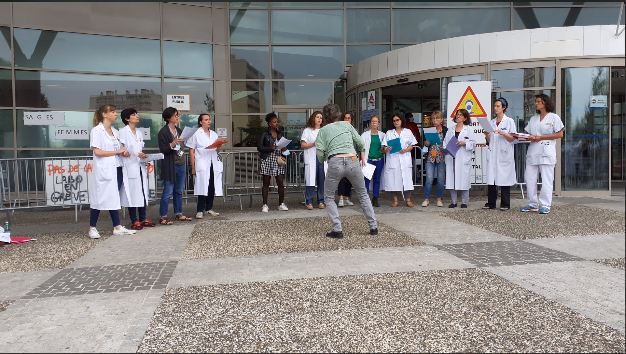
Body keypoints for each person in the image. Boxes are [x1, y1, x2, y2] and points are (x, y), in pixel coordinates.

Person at [316, 104, 377, 239]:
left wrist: (326, 158)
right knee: (363, 194)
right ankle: (373, 226)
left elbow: (320, 153)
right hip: (352, 159)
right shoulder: (347, 125)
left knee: (329, 197)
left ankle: (338, 229)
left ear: (326, 118)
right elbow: (360, 142)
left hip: (335, 161)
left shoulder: (323, 130)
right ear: (339, 115)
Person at [87, 104, 136, 239]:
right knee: (99, 198)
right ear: (104, 114)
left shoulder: (115, 131)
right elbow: (97, 151)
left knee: (114, 197)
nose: (115, 114)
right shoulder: (97, 131)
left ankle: (117, 226)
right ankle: (92, 228)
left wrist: (123, 153)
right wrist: (117, 152)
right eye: (113, 112)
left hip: (117, 168)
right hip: (105, 169)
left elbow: (119, 149)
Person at [520, 94, 564, 214]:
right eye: (536, 101)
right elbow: (529, 134)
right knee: (529, 179)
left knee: (546, 180)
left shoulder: (554, 118)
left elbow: (560, 134)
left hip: (546, 152)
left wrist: (541, 137)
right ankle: (532, 204)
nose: (536, 103)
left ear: (545, 103)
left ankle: (545, 205)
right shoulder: (534, 119)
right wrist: (528, 137)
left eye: (538, 101)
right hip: (533, 152)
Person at [119, 108, 155, 230]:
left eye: (136, 114)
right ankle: (134, 220)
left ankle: (143, 218)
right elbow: (122, 149)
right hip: (130, 166)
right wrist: (128, 153)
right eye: (133, 115)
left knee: (143, 192)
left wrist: (142, 154)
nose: (137, 116)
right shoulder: (123, 132)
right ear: (127, 119)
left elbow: (139, 148)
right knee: (132, 194)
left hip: (140, 165)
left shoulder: (139, 133)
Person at [187, 113, 226, 219]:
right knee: (202, 186)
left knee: (211, 186)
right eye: (206, 119)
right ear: (201, 122)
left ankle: (209, 208)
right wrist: (193, 167)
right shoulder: (196, 133)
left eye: (209, 119)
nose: (209, 121)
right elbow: (191, 150)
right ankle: (199, 210)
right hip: (202, 163)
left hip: (213, 163)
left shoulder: (213, 134)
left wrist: (219, 146)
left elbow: (216, 151)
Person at [158, 107, 192, 225]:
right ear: (168, 117)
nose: (177, 117)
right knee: (168, 191)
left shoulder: (178, 130)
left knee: (178, 191)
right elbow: (163, 149)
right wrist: (173, 143)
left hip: (180, 163)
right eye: (175, 115)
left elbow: (182, 145)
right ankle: (163, 216)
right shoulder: (163, 132)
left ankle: (179, 213)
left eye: (177, 115)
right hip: (170, 165)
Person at [483, 98, 517, 211]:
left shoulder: (509, 121)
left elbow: (513, 139)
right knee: (492, 178)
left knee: (504, 178)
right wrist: (487, 134)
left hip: (504, 154)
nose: (495, 108)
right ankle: (491, 203)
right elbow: (489, 141)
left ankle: (505, 203)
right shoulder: (491, 122)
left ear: (504, 107)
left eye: (498, 106)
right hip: (493, 154)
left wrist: (503, 133)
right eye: (494, 106)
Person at [382, 113, 417, 207]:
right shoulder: (389, 133)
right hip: (394, 159)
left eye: (397, 120)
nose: (396, 122)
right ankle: (395, 200)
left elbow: (412, 145)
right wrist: (386, 149)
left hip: (405, 158)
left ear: (401, 120)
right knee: (394, 180)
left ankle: (408, 200)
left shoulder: (408, 132)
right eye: (394, 121)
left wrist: (405, 150)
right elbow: (384, 146)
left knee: (407, 180)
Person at [443, 109, 476, 208]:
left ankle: (464, 202)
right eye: (457, 115)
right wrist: (445, 149)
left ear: (465, 118)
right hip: (451, 157)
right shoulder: (450, 130)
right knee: (452, 180)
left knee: (464, 180)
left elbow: (473, 143)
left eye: (461, 115)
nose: (458, 116)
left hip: (463, 158)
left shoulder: (469, 130)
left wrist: (465, 143)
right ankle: (453, 201)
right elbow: (445, 143)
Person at [257, 112, 288, 212]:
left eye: (277, 122)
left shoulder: (280, 134)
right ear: (270, 123)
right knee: (266, 183)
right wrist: (270, 148)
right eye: (274, 122)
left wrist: (285, 150)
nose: (276, 123)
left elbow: (286, 150)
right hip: (267, 159)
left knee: (280, 182)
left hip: (278, 160)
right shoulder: (265, 134)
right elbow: (259, 147)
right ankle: (265, 204)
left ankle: (281, 204)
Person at [422, 110, 448, 207]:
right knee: (429, 178)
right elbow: (423, 143)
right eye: (433, 118)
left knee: (440, 179)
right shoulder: (428, 130)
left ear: (441, 119)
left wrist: (445, 150)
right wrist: (426, 143)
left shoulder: (446, 130)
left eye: (437, 118)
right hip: (430, 157)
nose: (435, 120)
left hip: (441, 157)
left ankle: (439, 199)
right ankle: (426, 199)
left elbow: (449, 143)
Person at [301, 111, 326, 210]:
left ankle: (321, 201)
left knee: (321, 180)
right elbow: (303, 145)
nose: (319, 119)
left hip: (322, 158)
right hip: (311, 157)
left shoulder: (324, 130)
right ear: (313, 119)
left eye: (321, 117)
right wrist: (313, 144)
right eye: (317, 117)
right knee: (311, 181)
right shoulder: (307, 130)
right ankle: (309, 201)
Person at [360, 114, 387, 207]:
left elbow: (383, 148)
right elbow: (362, 149)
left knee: (377, 180)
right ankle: (366, 199)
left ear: (378, 123)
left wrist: (385, 150)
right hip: (369, 160)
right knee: (366, 180)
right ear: (370, 123)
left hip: (379, 160)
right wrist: (363, 160)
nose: (374, 123)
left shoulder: (383, 135)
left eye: (376, 121)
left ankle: (375, 198)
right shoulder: (365, 135)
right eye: (372, 121)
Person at [337, 112, 356, 207]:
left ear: (351, 120)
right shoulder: (339, 130)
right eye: (345, 118)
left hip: (352, 156)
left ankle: (346, 197)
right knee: (341, 177)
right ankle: (340, 198)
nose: (347, 120)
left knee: (350, 178)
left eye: (349, 118)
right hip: (341, 156)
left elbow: (356, 143)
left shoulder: (354, 130)